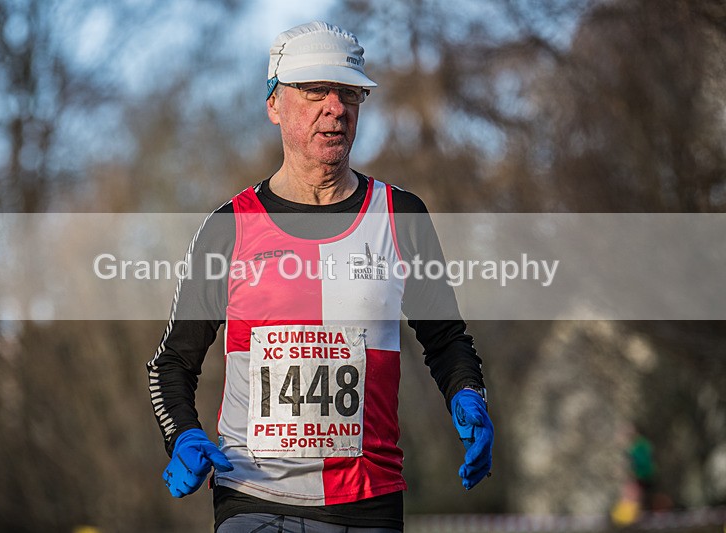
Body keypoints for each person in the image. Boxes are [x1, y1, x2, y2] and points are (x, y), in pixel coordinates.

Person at [147, 21, 494, 532]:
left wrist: (469, 393)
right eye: (315, 91)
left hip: (369, 501)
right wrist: (182, 435)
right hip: (253, 496)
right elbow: (171, 364)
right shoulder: (229, 228)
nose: (335, 107)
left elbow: (446, 340)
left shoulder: (400, 215)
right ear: (273, 104)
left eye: (350, 93)